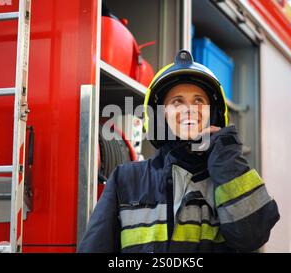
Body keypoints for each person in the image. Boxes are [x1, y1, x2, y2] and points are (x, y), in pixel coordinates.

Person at [78, 49, 279, 253]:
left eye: (199, 100)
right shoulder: (126, 179)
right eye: (177, 102)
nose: (189, 109)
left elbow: (253, 236)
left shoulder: (228, 178)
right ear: (160, 116)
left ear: (214, 114)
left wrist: (227, 158)